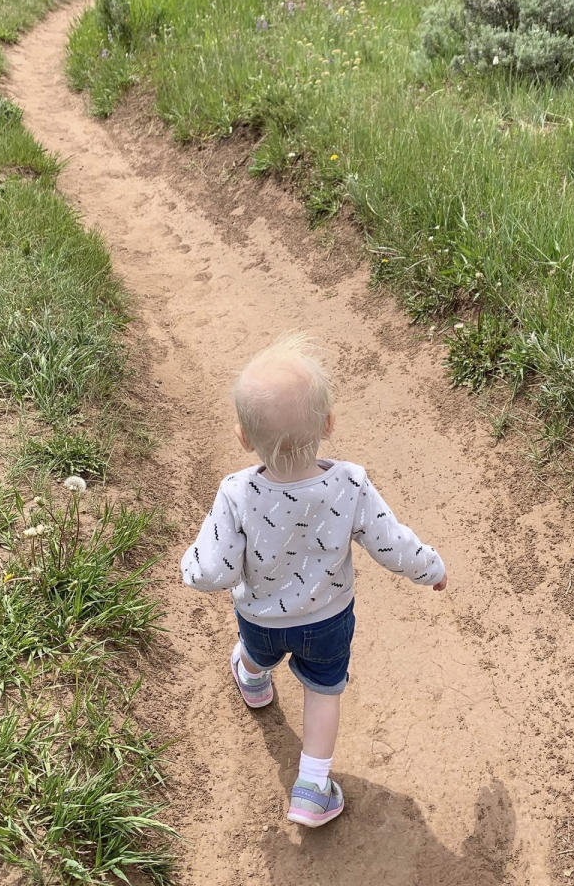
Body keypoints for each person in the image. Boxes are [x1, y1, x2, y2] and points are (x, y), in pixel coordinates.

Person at [181, 334, 447, 828]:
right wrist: (430, 567)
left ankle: (255, 678)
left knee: (255, 651)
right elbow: (391, 544)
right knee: (324, 691)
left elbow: (213, 568)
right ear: (328, 423)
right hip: (327, 621)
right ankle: (312, 787)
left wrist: (190, 568)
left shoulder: (236, 493)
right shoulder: (349, 483)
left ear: (243, 436)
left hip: (259, 617)